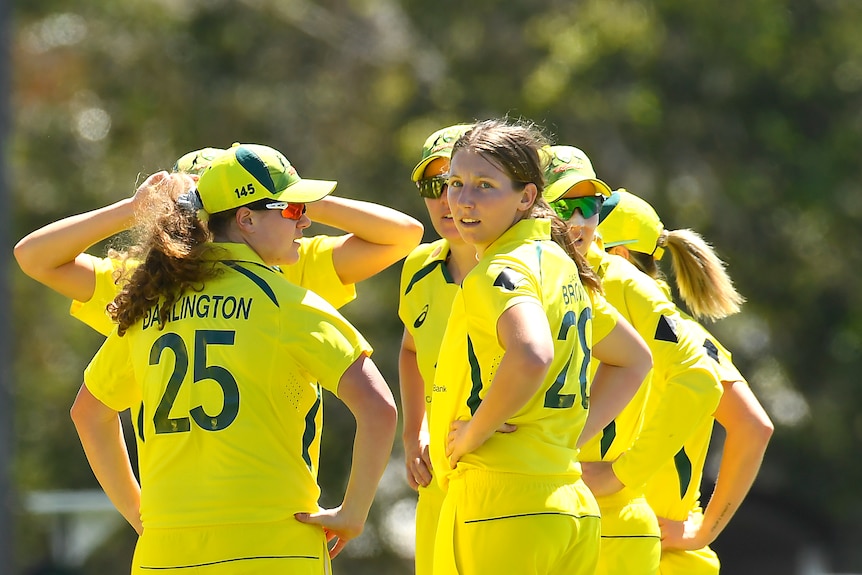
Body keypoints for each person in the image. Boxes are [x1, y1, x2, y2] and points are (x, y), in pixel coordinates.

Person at [69, 143, 398, 574]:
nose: (306, 221)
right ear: (246, 219)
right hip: (273, 545)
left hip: (165, 553)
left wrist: (139, 513)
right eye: (293, 210)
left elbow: (88, 413)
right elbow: (379, 407)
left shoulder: (152, 305)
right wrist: (353, 514)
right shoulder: (288, 303)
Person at [428, 120, 652, 575]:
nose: (463, 201)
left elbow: (532, 354)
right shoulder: (560, 263)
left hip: (504, 501)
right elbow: (633, 360)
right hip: (570, 502)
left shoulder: (498, 269)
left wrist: (475, 433)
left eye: (485, 186)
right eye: (455, 183)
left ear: (527, 197)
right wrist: (563, 438)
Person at [14, 144, 424, 337]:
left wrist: (291, 199)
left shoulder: (290, 261)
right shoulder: (144, 282)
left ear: (244, 215)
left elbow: (401, 235)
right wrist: (134, 208)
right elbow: (32, 256)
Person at [543, 145, 725, 575]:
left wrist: (622, 473)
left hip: (613, 527)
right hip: (536, 510)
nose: (577, 220)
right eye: (562, 205)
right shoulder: (518, 275)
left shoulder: (619, 281)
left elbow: (705, 383)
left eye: (590, 207)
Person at [596, 189, 773, 574]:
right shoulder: (682, 333)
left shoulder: (657, 332)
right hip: (645, 553)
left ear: (619, 258)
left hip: (647, 554)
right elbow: (754, 425)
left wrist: (702, 531)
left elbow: (755, 427)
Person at [397, 123, 475, 575]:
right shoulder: (419, 265)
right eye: (434, 185)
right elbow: (410, 349)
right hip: (437, 483)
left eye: (459, 183)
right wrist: (414, 434)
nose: (447, 200)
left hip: (503, 476)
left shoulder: (528, 263)